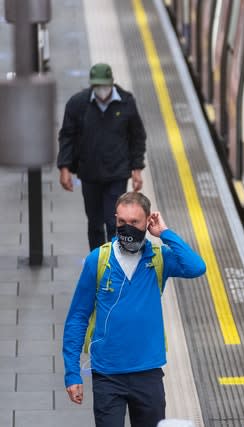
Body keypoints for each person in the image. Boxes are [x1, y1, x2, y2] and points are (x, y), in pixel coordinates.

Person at [62, 192, 206, 427]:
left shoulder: (159, 259)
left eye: (135, 223)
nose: (127, 229)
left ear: (148, 221)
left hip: (147, 372)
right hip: (107, 374)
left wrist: (165, 233)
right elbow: (77, 317)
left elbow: (196, 267)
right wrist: (72, 372)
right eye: (122, 223)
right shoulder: (98, 260)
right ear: (115, 219)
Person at [57, 62, 147, 250]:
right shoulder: (77, 104)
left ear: (112, 83)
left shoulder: (126, 102)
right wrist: (64, 168)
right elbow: (67, 135)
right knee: (95, 223)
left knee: (114, 221)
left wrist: (137, 169)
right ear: (91, 85)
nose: (102, 90)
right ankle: (98, 261)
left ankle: (117, 260)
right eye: (97, 86)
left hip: (117, 174)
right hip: (90, 174)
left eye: (104, 86)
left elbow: (137, 136)